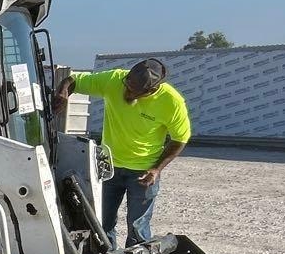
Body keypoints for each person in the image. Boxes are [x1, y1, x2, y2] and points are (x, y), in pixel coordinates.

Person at [55, 59, 191, 244]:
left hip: (144, 171)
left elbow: (180, 139)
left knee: (138, 227)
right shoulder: (114, 80)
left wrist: (156, 169)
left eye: (134, 92)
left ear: (150, 91)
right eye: (127, 85)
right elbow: (73, 80)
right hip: (108, 167)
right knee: (102, 225)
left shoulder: (172, 102)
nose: (126, 92)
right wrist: (63, 91)